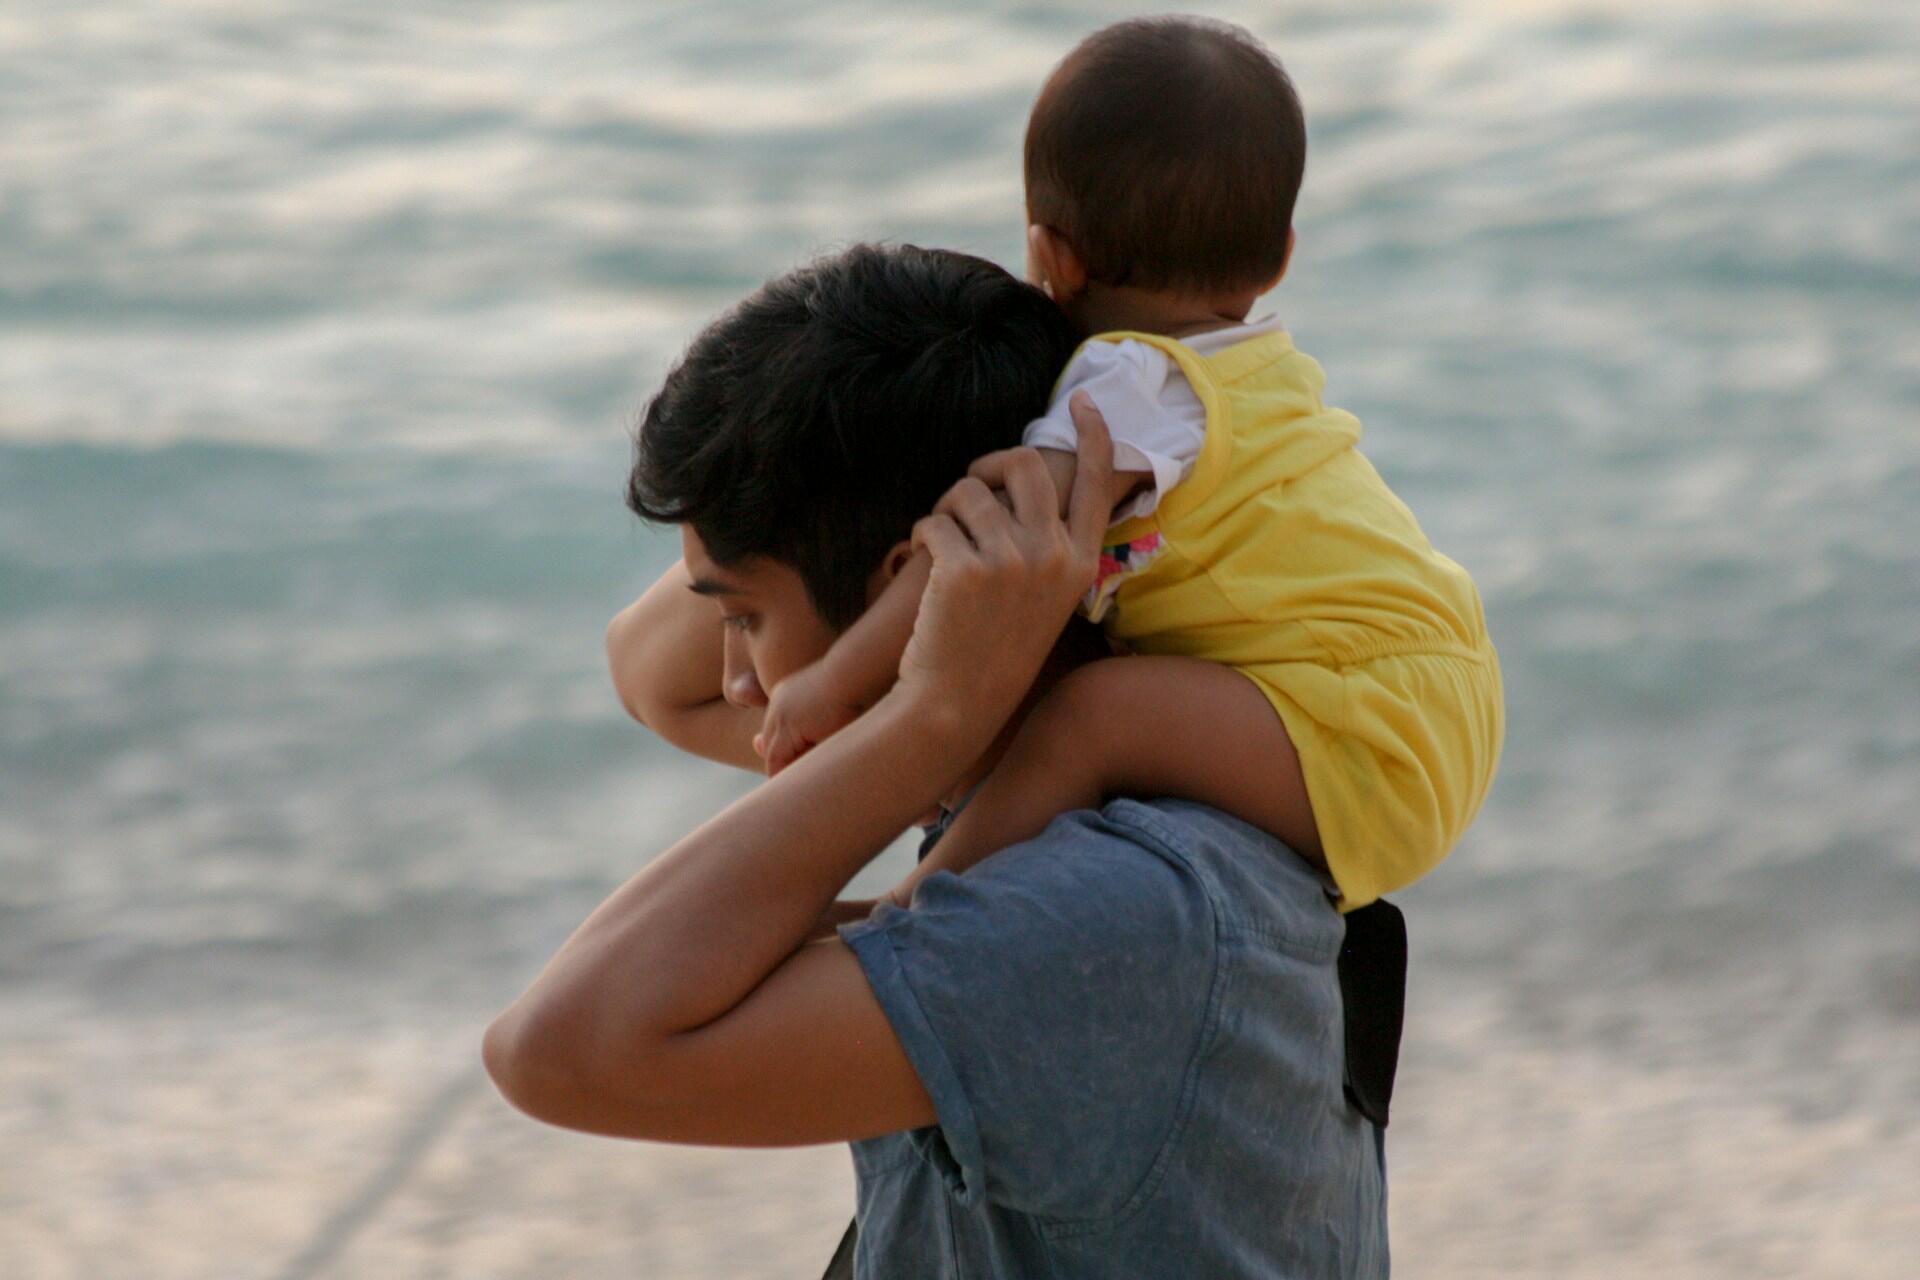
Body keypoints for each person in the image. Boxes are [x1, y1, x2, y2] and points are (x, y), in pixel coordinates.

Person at [486, 242, 1390, 1277]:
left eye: (743, 616)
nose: (736, 682)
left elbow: (557, 1050)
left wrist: (932, 707)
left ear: (906, 579)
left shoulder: (1127, 908)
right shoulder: (1058, 803)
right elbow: (645, 668)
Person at [750, 17, 1505, 917]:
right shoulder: (1254, 364)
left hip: (1357, 717)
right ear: (1280, 258)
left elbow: (993, 541)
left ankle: (916, 907)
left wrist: (830, 684)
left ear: (1050, 256)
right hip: (1435, 690)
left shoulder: (1124, 377)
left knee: (1093, 714)